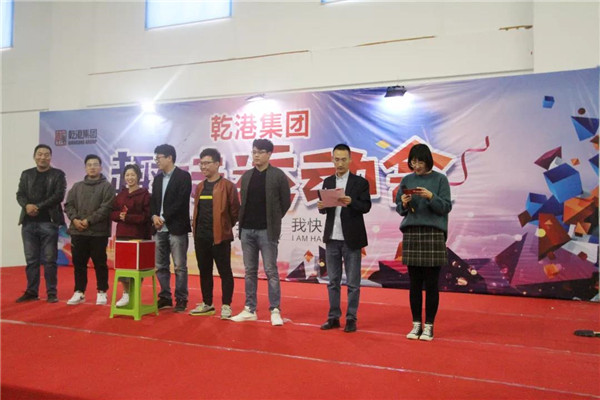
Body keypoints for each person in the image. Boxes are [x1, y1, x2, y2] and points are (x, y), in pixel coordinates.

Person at [230, 139, 291, 326]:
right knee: (250, 271)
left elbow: (285, 203)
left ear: (269, 154)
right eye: (254, 152)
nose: (256, 155)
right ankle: (250, 309)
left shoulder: (278, 175)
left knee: (271, 271)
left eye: (260, 152)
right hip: (247, 230)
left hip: (267, 231)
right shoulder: (247, 176)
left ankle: (275, 309)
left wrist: (273, 219)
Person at [396, 143, 452, 341]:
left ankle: (429, 326)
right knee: (414, 283)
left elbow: (446, 207)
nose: (416, 165)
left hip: (433, 234)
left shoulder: (440, 179)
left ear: (428, 161)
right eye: (413, 162)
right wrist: (403, 203)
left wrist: (431, 196)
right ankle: (416, 324)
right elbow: (399, 209)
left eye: (420, 161)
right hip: (412, 233)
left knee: (431, 283)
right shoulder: (407, 180)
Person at [318, 144, 371, 333]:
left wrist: (352, 202)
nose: (339, 163)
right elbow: (326, 210)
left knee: (353, 283)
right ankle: (333, 317)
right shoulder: (328, 181)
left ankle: (351, 318)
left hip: (352, 238)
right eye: (336, 159)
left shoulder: (360, 183)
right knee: (333, 281)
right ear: (332, 159)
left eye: (343, 159)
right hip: (332, 237)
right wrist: (321, 206)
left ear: (350, 160)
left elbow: (366, 207)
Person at [189, 148, 240, 319]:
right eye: (201, 163)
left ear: (217, 164)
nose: (203, 166)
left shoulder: (227, 186)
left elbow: (235, 212)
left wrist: (224, 227)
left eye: (207, 163)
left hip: (220, 238)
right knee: (204, 271)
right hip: (201, 237)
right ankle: (207, 303)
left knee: (225, 272)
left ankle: (226, 305)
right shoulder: (200, 187)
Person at [16, 144, 67, 303]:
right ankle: (32, 291)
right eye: (39, 154)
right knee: (31, 260)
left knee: (50, 260)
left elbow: (58, 196)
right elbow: (20, 194)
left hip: (49, 223)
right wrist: (27, 206)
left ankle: (51, 293)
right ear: (34, 156)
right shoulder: (26, 174)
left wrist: (37, 207)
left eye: (46, 154)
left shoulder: (58, 174)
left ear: (50, 157)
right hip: (28, 223)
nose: (42, 157)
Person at [64, 154, 115, 305]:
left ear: (101, 167)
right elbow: (68, 205)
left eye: (95, 164)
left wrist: (88, 221)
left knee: (100, 263)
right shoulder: (77, 187)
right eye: (89, 165)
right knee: (79, 263)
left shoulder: (107, 187)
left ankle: (102, 291)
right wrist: (75, 219)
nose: (92, 167)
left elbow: (106, 208)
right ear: (85, 168)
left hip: (98, 232)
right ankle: (79, 292)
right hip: (78, 231)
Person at [150, 144, 192, 313]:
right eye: (156, 158)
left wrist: (164, 217)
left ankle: (181, 298)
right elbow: (153, 201)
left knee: (180, 266)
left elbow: (181, 201)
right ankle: (165, 296)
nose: (157, 161)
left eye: (159, 158)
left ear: (169, 157)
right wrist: (154, 216)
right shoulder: (157, 179)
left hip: (176, 227)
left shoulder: (183, 176)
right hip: (159, 229)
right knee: (161, 265)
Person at [110, 164, 151, 307]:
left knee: (137, 267)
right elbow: (112, 212)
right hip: (122, 234)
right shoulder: (121, 195)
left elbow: (146, 216)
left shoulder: (145, 194)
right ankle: (126, 293)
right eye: (127, 175)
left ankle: (134, 293)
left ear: (138, 176)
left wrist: (127, 217)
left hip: (138, 235)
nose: (130, 178)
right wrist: (119, 216)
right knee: (123, 266)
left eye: (133, 175)